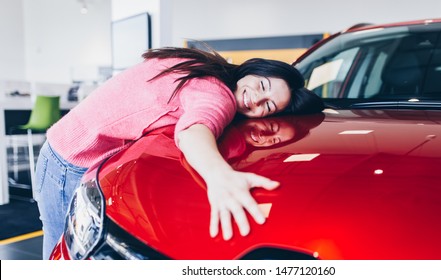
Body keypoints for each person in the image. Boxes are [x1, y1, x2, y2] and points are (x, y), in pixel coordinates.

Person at [33, 46, 324, 259]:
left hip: (60, 148)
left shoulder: (198, 63)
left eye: (268, 107)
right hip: (69, 162)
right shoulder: (216, 95)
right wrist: (220, 177)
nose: (256, 100)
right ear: (254, 70)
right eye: (262, 86)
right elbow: (194, 130)